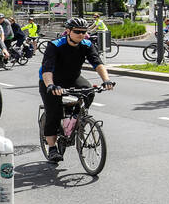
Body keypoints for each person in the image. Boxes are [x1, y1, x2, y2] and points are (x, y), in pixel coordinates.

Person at [39, 17, 114, 164]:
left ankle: (76, 116)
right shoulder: (55, 45)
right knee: (54, 112)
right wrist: (50, 86)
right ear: (68, 31)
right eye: (77, 32)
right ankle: (53, 147)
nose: (81, 35)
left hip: (73, 77)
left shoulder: (86, 44)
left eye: (84, 32)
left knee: (89, 91)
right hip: (51, 80)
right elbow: (47, 69)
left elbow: (97, 63)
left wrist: (106, 80)